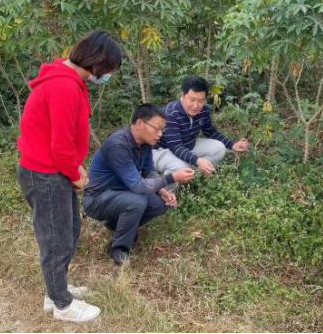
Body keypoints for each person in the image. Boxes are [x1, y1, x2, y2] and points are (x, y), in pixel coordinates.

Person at [17, 30, 122, 323]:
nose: (108, 76)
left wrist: (75, 167)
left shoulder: (70, 79)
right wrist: (75, 173)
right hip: (46, 174)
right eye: (110, 69)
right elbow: (60, 144)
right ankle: (62, 305)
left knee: (69, 231)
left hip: (55, 170)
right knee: (56, 241)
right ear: (99, 63)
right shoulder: (63, 86)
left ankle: (57, 289)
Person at [83, 104, 195, 266]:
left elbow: (148, 171)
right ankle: (119, 249)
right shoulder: (118, 145)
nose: (160, 134)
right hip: (97, 199)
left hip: (123, 193)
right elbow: (137, 186)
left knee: (160, 203)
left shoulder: (145, 144)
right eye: (156, 128)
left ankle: (116, 225)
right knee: (137, 201)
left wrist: (163, 191)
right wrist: (172, 177)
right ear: (140, 123)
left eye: (162, 130)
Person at [153, 77, 249, 179]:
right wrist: (197, 160)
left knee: (219, 148)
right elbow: (175, 147)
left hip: (188, 145)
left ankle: (194, 175)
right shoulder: (171, 113)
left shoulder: (204, 111)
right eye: (192, 100)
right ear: (183, 96)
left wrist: (232, 145)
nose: (195, 106)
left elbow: (211, 132)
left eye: (200, 101)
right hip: (163, 150)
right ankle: (163, 188)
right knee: (181, 167)